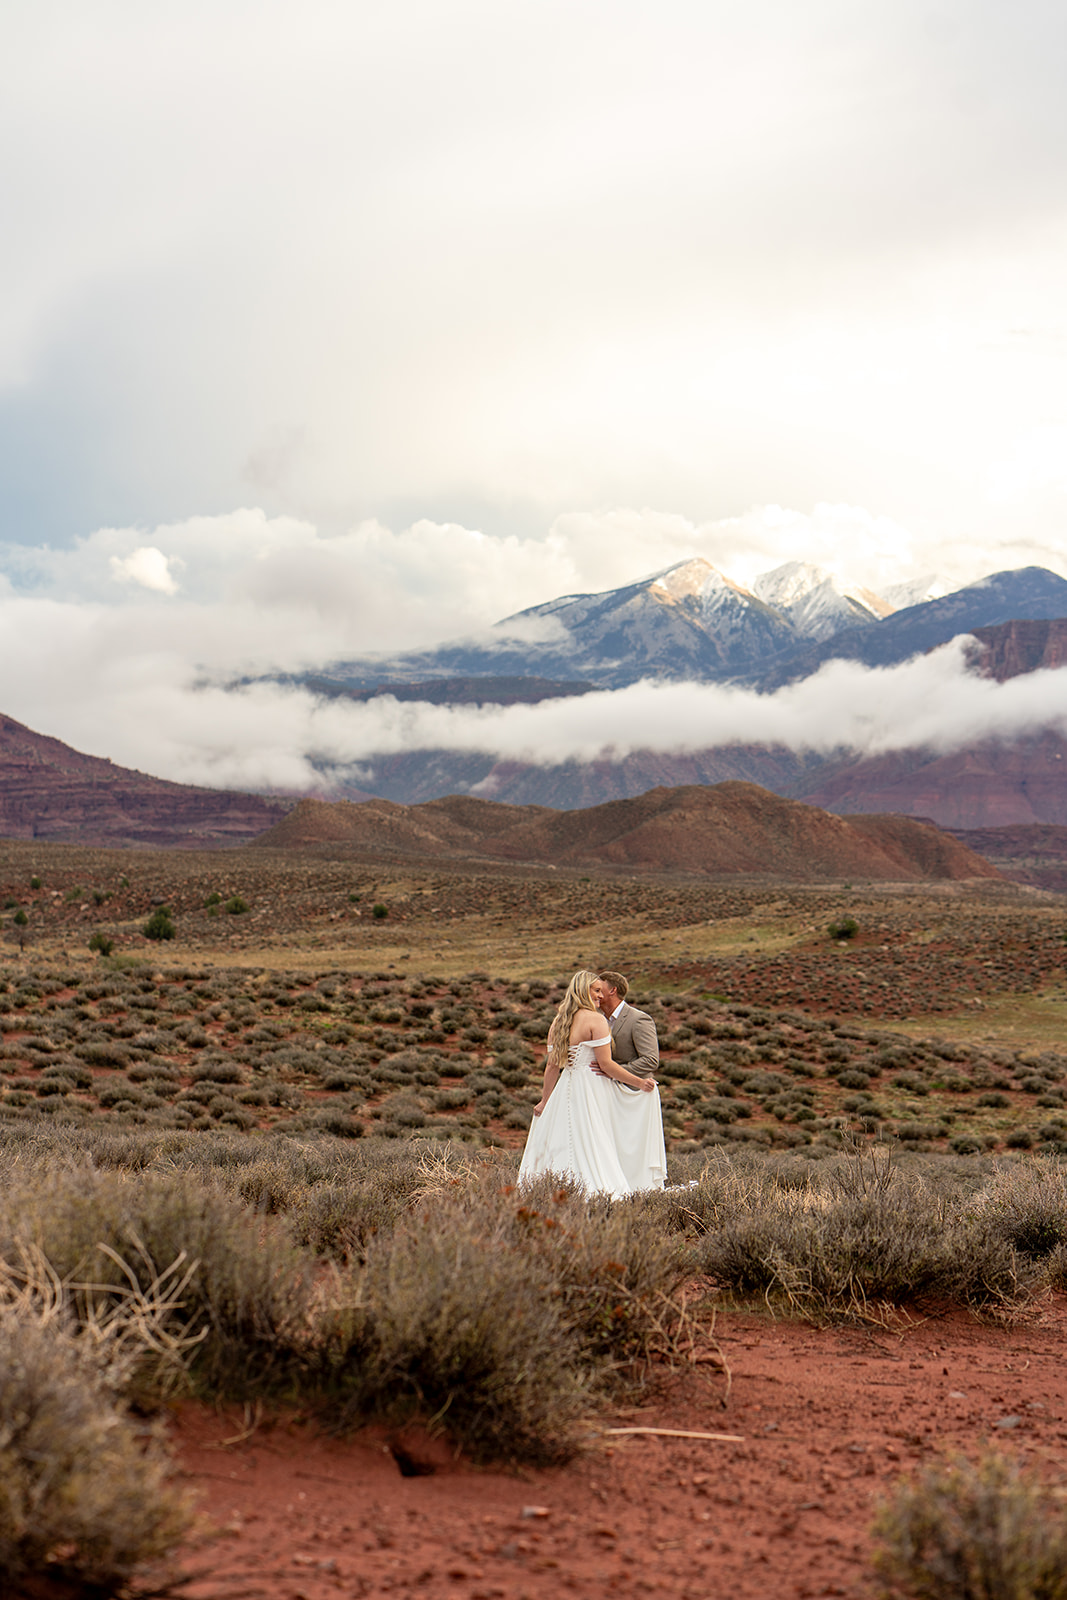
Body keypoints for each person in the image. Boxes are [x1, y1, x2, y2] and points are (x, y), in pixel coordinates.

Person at [517, 969, 667, 1198]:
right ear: (583, 991)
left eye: (601, 990)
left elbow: (552, 1067)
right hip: (591, 1087)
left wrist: (545, 1100)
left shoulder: (559, 1021)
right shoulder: (596, 1019)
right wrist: (640, 1082)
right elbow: (606, 1065)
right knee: (594, 1138)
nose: (600, 995)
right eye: (596, 990)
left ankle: (557, 1189)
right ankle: (596, 1189)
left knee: (565, 1138)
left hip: (565, 1087)